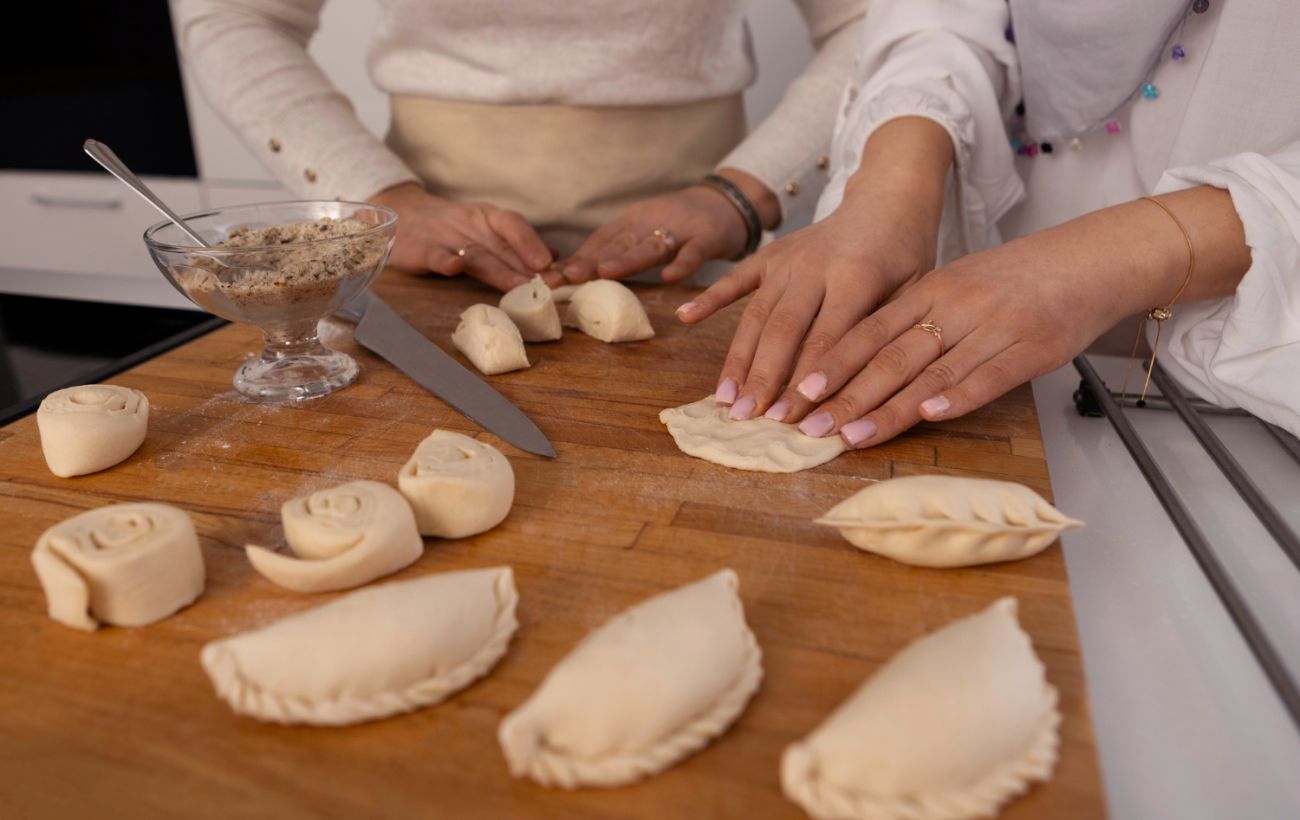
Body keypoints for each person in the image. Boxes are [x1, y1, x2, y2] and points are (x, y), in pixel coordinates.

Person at [679, 0, 1300, 442]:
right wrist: (894, 182)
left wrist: (1100, 261)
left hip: (1265, 375)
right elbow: (944, 15)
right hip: (1006, 365)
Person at [175, 0, 867, 292]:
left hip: (701, 259)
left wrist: (748, 192)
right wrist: (377, 196)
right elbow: (237, 14)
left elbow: (880, 20)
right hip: (423, 260)